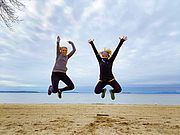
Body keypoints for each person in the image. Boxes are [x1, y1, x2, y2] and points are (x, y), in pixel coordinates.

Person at [88, 36, 127, 100]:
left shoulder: (110, 60)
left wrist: (121, 41)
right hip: (102, 80)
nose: (103, 53)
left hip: (111, 79)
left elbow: (116, 51)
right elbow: (95, 52)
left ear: (108, 55)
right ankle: (103, 90)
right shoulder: (100, 60)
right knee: (96, 91)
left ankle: (112, 91)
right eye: (102, 53)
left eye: (105, 52)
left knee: (119, 90)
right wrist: (92, 43)